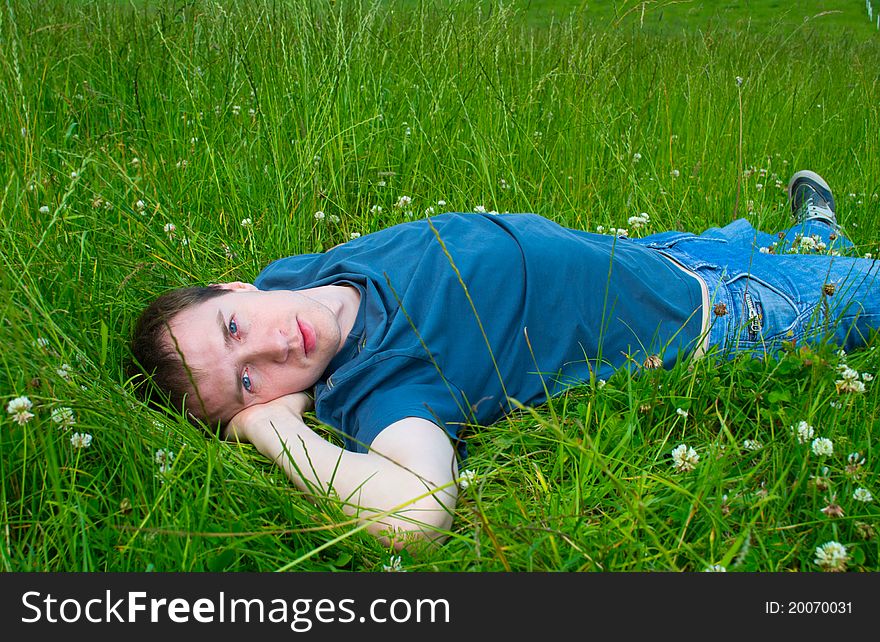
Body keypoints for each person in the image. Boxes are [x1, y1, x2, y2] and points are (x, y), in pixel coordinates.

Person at [129, 170, 880, 549]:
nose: (267, 345)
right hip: (730, 315)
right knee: (853, 294)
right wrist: (276, 433)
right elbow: (418, 513)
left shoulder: (292, 277)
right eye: (249, 382)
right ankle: (823, 248)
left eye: (233, 327)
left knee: (767, 247)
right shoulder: (377, 387)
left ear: (236, 287)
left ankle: (816, 234)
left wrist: (251, 386)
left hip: (657, 255)